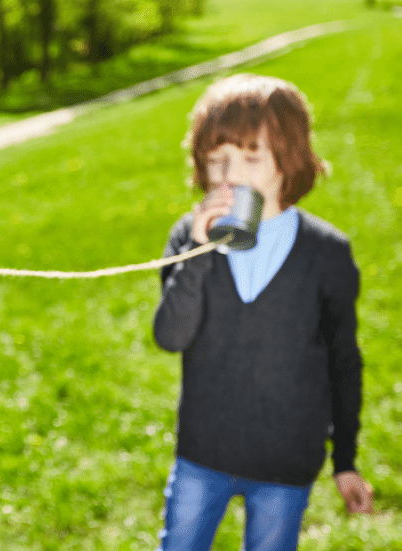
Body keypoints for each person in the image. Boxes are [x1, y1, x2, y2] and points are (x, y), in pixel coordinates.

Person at [152, 73, 373, 551]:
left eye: (251, 157)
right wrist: (198, 248)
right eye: (217, 160)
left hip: (285, 462)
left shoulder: (327, 252)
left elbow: (343, 361)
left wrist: (346, 460)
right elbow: (171, 335)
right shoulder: (188, 237)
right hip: (202, 454)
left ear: (287, 160)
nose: (230, 175)